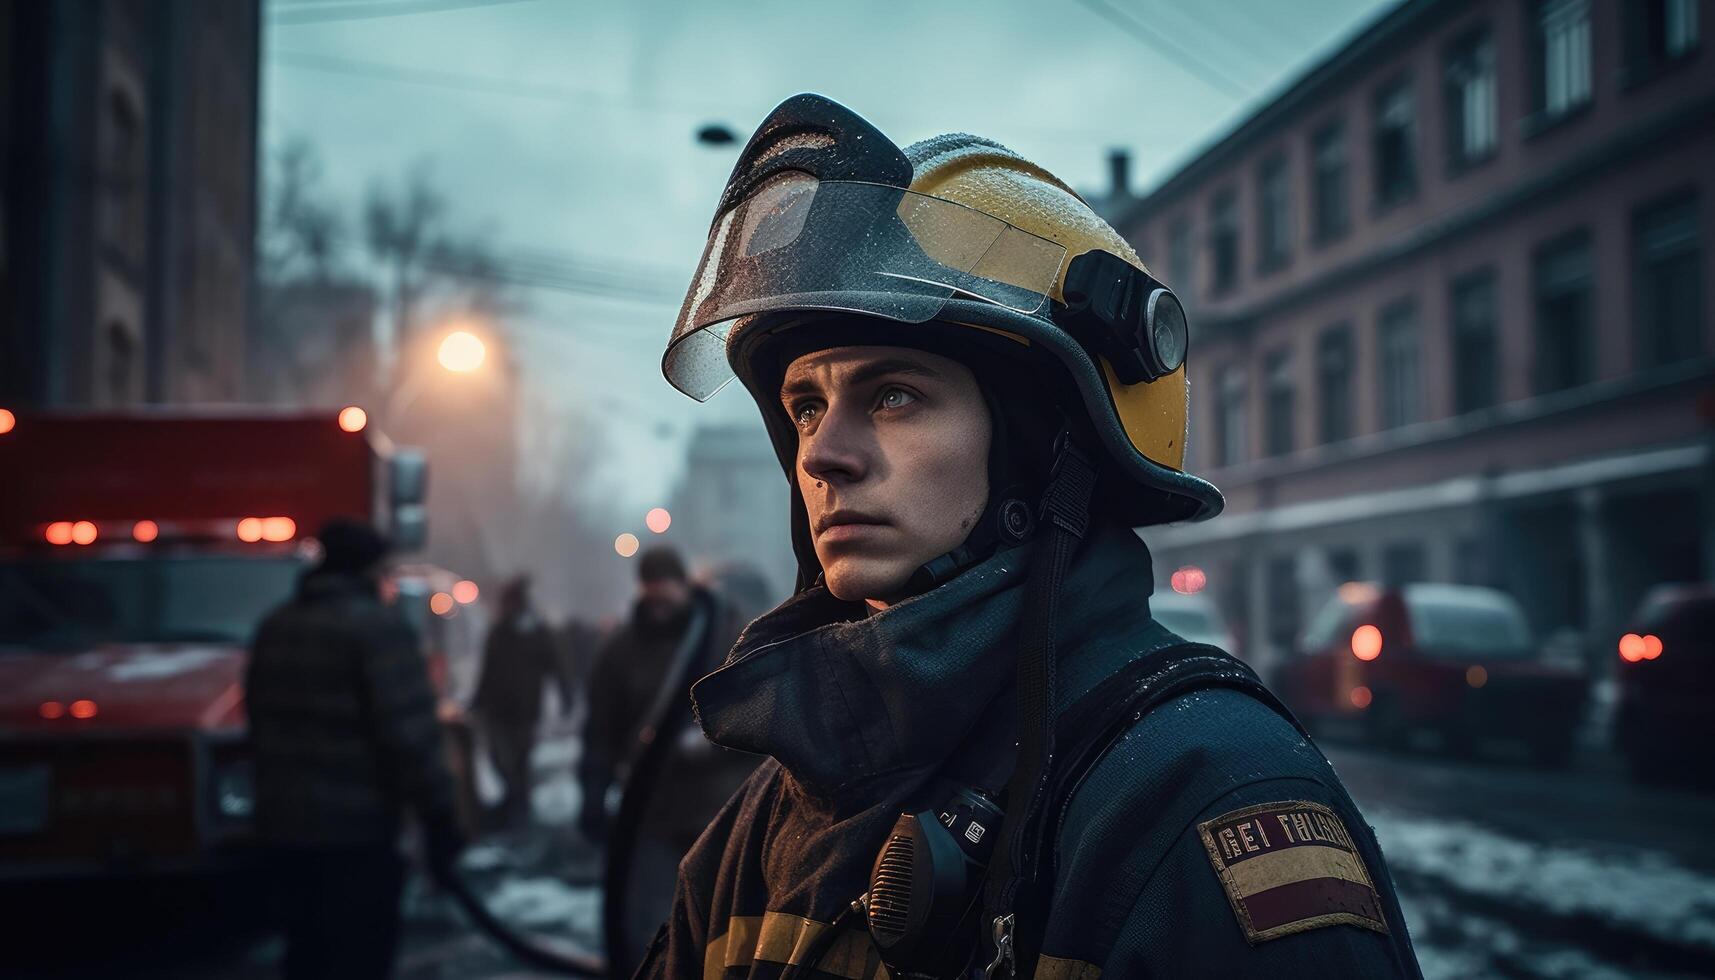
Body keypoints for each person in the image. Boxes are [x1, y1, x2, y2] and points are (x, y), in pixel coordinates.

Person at [638, 94, 1423, 978]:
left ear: (1043, 449)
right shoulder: (774, 814)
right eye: (806, 406)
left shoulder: (1199, 793)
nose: (823, 455)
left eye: (893, 395)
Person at [245, 518, 464, 980]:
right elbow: (408, 733)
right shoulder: (378, 629)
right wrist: (440, 815)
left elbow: (259, 727)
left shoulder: (275, 626)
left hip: (285, 834)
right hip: (357, 838)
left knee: (306, 955)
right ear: (368, 569)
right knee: (359, 958)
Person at [577, 547, 752, 960]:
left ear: (684, 585)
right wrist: (592, 793)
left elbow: (761, 712)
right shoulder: (621, 649)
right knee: (650, 926)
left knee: (726, 926)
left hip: (722, 809)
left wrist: (710, 741)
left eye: (665, 589)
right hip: (653, 810)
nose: (658, 601)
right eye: (650, 590)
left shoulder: (729, 635)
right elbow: (600, 730)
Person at [472, 574, 557, 826]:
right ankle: (515, 799)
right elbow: (488, 670)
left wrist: (566, 691)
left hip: (525, 709)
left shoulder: (537, 632)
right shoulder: (498, 633)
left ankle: (519, 804)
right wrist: (478, 700)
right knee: (501, 758)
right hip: (498, 709)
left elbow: (554, 663)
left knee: (520, 758)